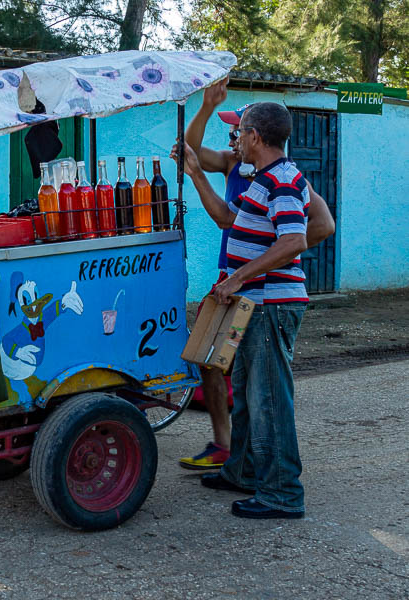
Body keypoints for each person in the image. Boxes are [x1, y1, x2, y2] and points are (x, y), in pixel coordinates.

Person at [178, 80, 335, 471]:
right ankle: (235, 460)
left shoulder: (282, 178)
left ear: (254, 136)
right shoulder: (248, 171)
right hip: (242, 285)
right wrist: (205, 107)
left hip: (262, 293)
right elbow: (224, 212)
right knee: (235, 381)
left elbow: (309, 231)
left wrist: (269, 259)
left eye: (239, 132)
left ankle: (279, 488)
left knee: (266, 397)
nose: (235, 140)